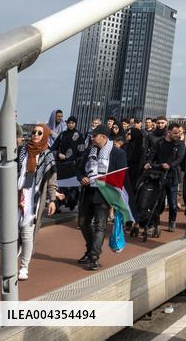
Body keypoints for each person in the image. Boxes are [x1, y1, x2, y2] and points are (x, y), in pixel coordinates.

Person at [78, 126, 127, 271]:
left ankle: (94, 257)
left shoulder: (118, 153)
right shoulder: (89, 151)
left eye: (94, 136)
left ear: (103, 137)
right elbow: (79, 169)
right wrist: (82, 177)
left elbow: (121, 175)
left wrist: (107, 183)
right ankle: (90, 250)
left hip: (105, 193)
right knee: (83, 222)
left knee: (100, 226)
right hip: (88, 191)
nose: (92, 138)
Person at [16, 123, 58, 281]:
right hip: (17, 194)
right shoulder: (22, 150)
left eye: (40, 133)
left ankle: (24, 266)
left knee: (27, 234)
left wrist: (52, 200)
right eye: (34, 132)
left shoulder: (48, 155)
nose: (35, 135)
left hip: (33, 199)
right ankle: (11, 259)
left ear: (45, 135)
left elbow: (52, 180)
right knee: (12, 231)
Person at [144, 121, 185, 232]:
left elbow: (180, 158)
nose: (177, 135)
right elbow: (152, 155)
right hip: (159, 175)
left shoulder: (180, 144)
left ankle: (172, 220)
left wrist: (170, 165)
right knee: (157, 201)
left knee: (172, 203)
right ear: (169, 132)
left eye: (179, 133)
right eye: (175, 133)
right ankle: (154, 222)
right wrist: (148, 162)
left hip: (172, 176)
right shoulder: (159, 143)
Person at [53, 116, 85, 211]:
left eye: (72, 123)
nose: (70, 125)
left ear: (75, 124)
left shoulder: (79, 135)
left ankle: (72, 202)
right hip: (62, 164)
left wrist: (77, 163)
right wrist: (58, 154)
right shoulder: (62, 134)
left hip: (73, 165)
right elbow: (54, 147)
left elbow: (81, 151)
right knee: (60, 185)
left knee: (72, 186)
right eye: (69, 123)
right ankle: (57, 206)